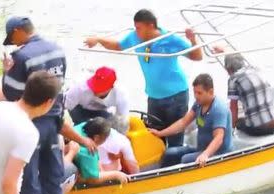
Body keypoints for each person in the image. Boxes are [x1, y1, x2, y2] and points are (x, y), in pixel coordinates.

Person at [84, 9, 203, 147]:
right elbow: (118, 46)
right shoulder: (136, 37)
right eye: (135, 28)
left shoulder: (169, 39)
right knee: (154, 135)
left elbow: (197, 56)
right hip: (153, 96)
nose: (136, 31)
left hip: (175, 96)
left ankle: (176, 163)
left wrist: (193, 39)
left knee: (174, 137)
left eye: (139, 28)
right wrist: (98, 40)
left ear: (150, 26)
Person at [150, 74, 233, 167]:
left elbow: (219, 137)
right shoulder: (198, 104)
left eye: (199, 93)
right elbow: (183, 122)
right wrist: (160, 133)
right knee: (170, 153)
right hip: (201, 149)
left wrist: (205, 154)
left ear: (210, 92)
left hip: (218, 154)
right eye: (195, 92)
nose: (196, 96)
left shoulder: (219, 109)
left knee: (185, 159)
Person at [217, 50, 274, 136]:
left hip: (259, 127)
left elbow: (233, 108)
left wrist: (231, 128)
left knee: (239, 121)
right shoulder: (256, 69)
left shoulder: (233, 79)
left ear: (229, 69)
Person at [73, 117, 130, 185]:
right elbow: (93, 180)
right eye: (105, 139)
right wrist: (116, 174)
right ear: (96, 138)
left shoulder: (81, 127)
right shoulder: (89, 151)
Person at [64, 66, 130, 125]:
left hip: (100, 111)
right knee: (82, 125)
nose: (95, 90)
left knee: (108, 127)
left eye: (100, 88)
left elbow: (122, 120)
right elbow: (60, 106)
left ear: (111, 87)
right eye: (94, 85)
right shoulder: (80, 87)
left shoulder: (121, 94)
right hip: (77, 106)